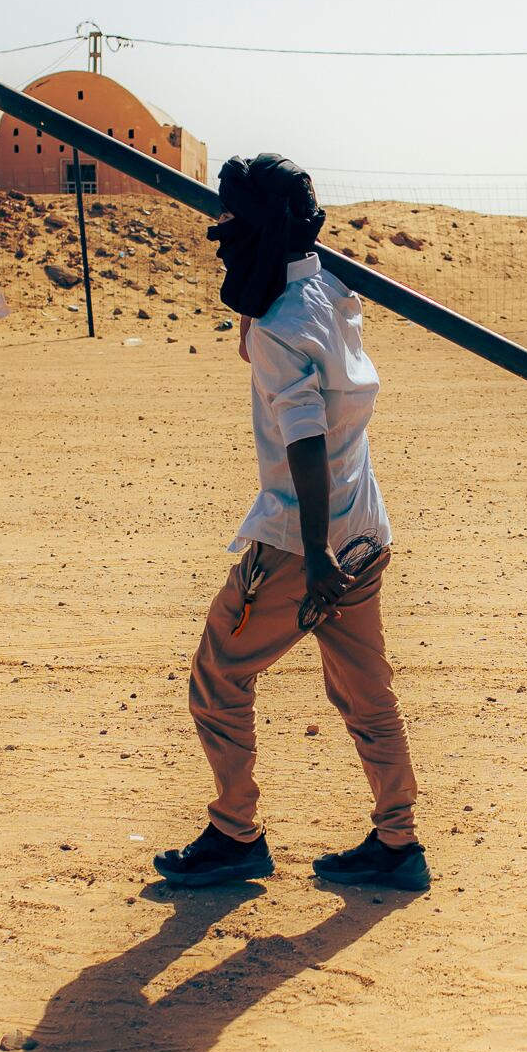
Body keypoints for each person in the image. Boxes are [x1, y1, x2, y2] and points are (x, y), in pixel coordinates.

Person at [153, 156, 426, 893]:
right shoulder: (333, 292)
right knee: (366, 692)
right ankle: (397, 841)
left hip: (305, 543)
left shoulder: (281, 326)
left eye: (231, 220)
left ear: (261, 228)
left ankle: (234, 834)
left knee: (219, 674)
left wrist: (312, 552)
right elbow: (262, 308)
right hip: (365, 529)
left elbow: (303, 437)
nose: (220, 233)